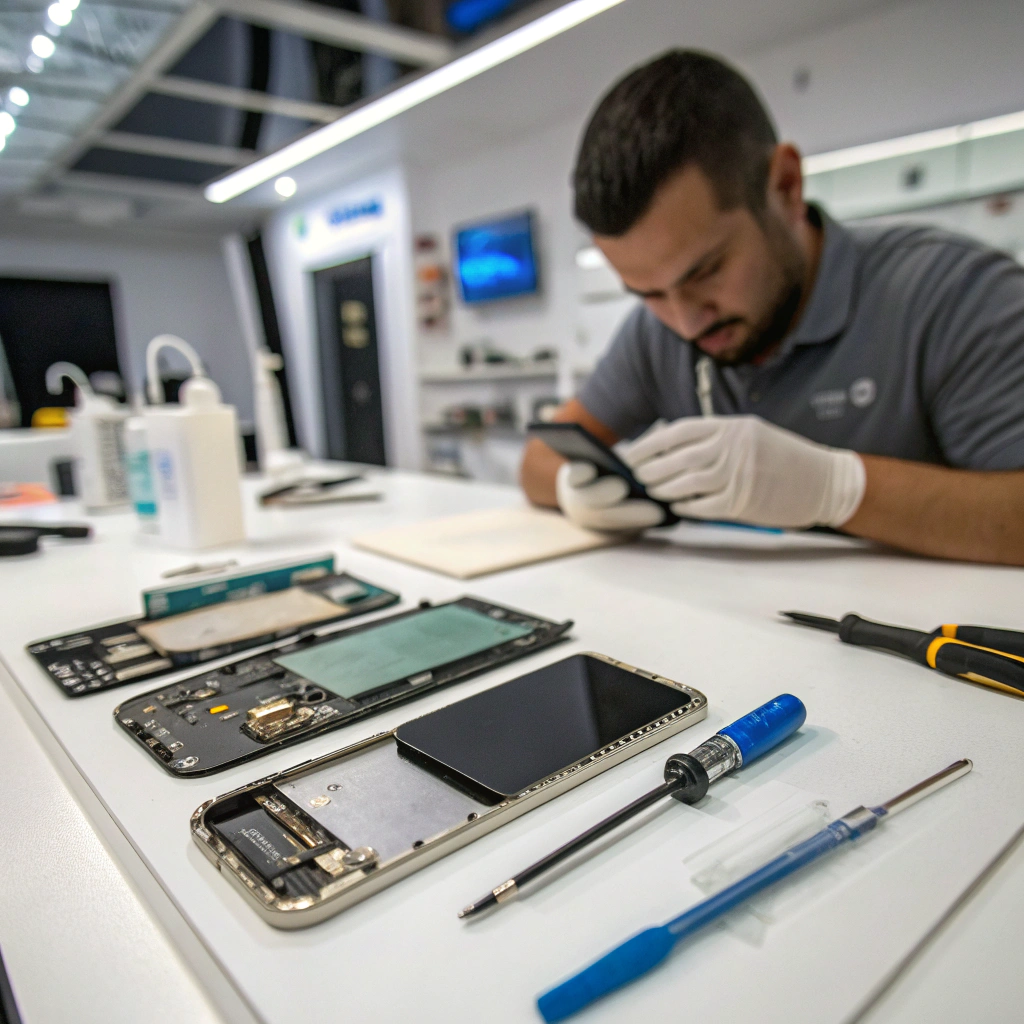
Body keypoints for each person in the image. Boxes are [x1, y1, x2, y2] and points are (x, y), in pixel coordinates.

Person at [520, 50, 1024, 566]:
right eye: (647, 292)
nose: (686, 322)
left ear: (785, 186)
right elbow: (539, 458)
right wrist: (572, 486)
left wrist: (839, 489)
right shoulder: (655, 334)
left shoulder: (953, 295)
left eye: (705, 270)